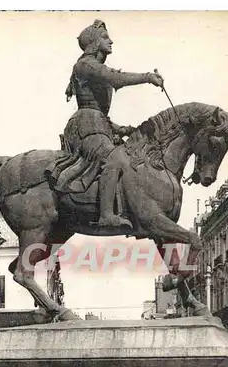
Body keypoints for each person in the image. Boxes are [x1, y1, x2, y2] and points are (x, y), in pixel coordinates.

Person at [64, 19, 163, 228]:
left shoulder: (94, 66)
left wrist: (124, 129)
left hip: (98, 125)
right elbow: (115, 79)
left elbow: (101, 115)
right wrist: (147, 77)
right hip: (86, 128)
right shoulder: (85, 65)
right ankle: (106, 215)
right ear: (93, 42)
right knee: (115, 158)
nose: (111, 41)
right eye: (105, 37)